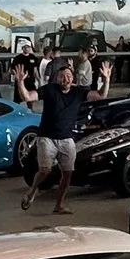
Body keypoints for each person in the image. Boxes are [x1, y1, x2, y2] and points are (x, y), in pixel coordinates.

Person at [21, 59, 90, 214]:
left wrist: (106, 80)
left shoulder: (78, 92)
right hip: (46, 137)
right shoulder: (50, 90)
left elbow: (100, 95)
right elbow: (28, 96)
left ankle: (59, 205)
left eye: (68, 75)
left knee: (67, 174)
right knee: (45, 170)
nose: (65, 78)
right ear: (58, 78)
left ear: (72, 78)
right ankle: (32, 191)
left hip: (66, 139)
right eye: (62, 76)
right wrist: (20, 82)